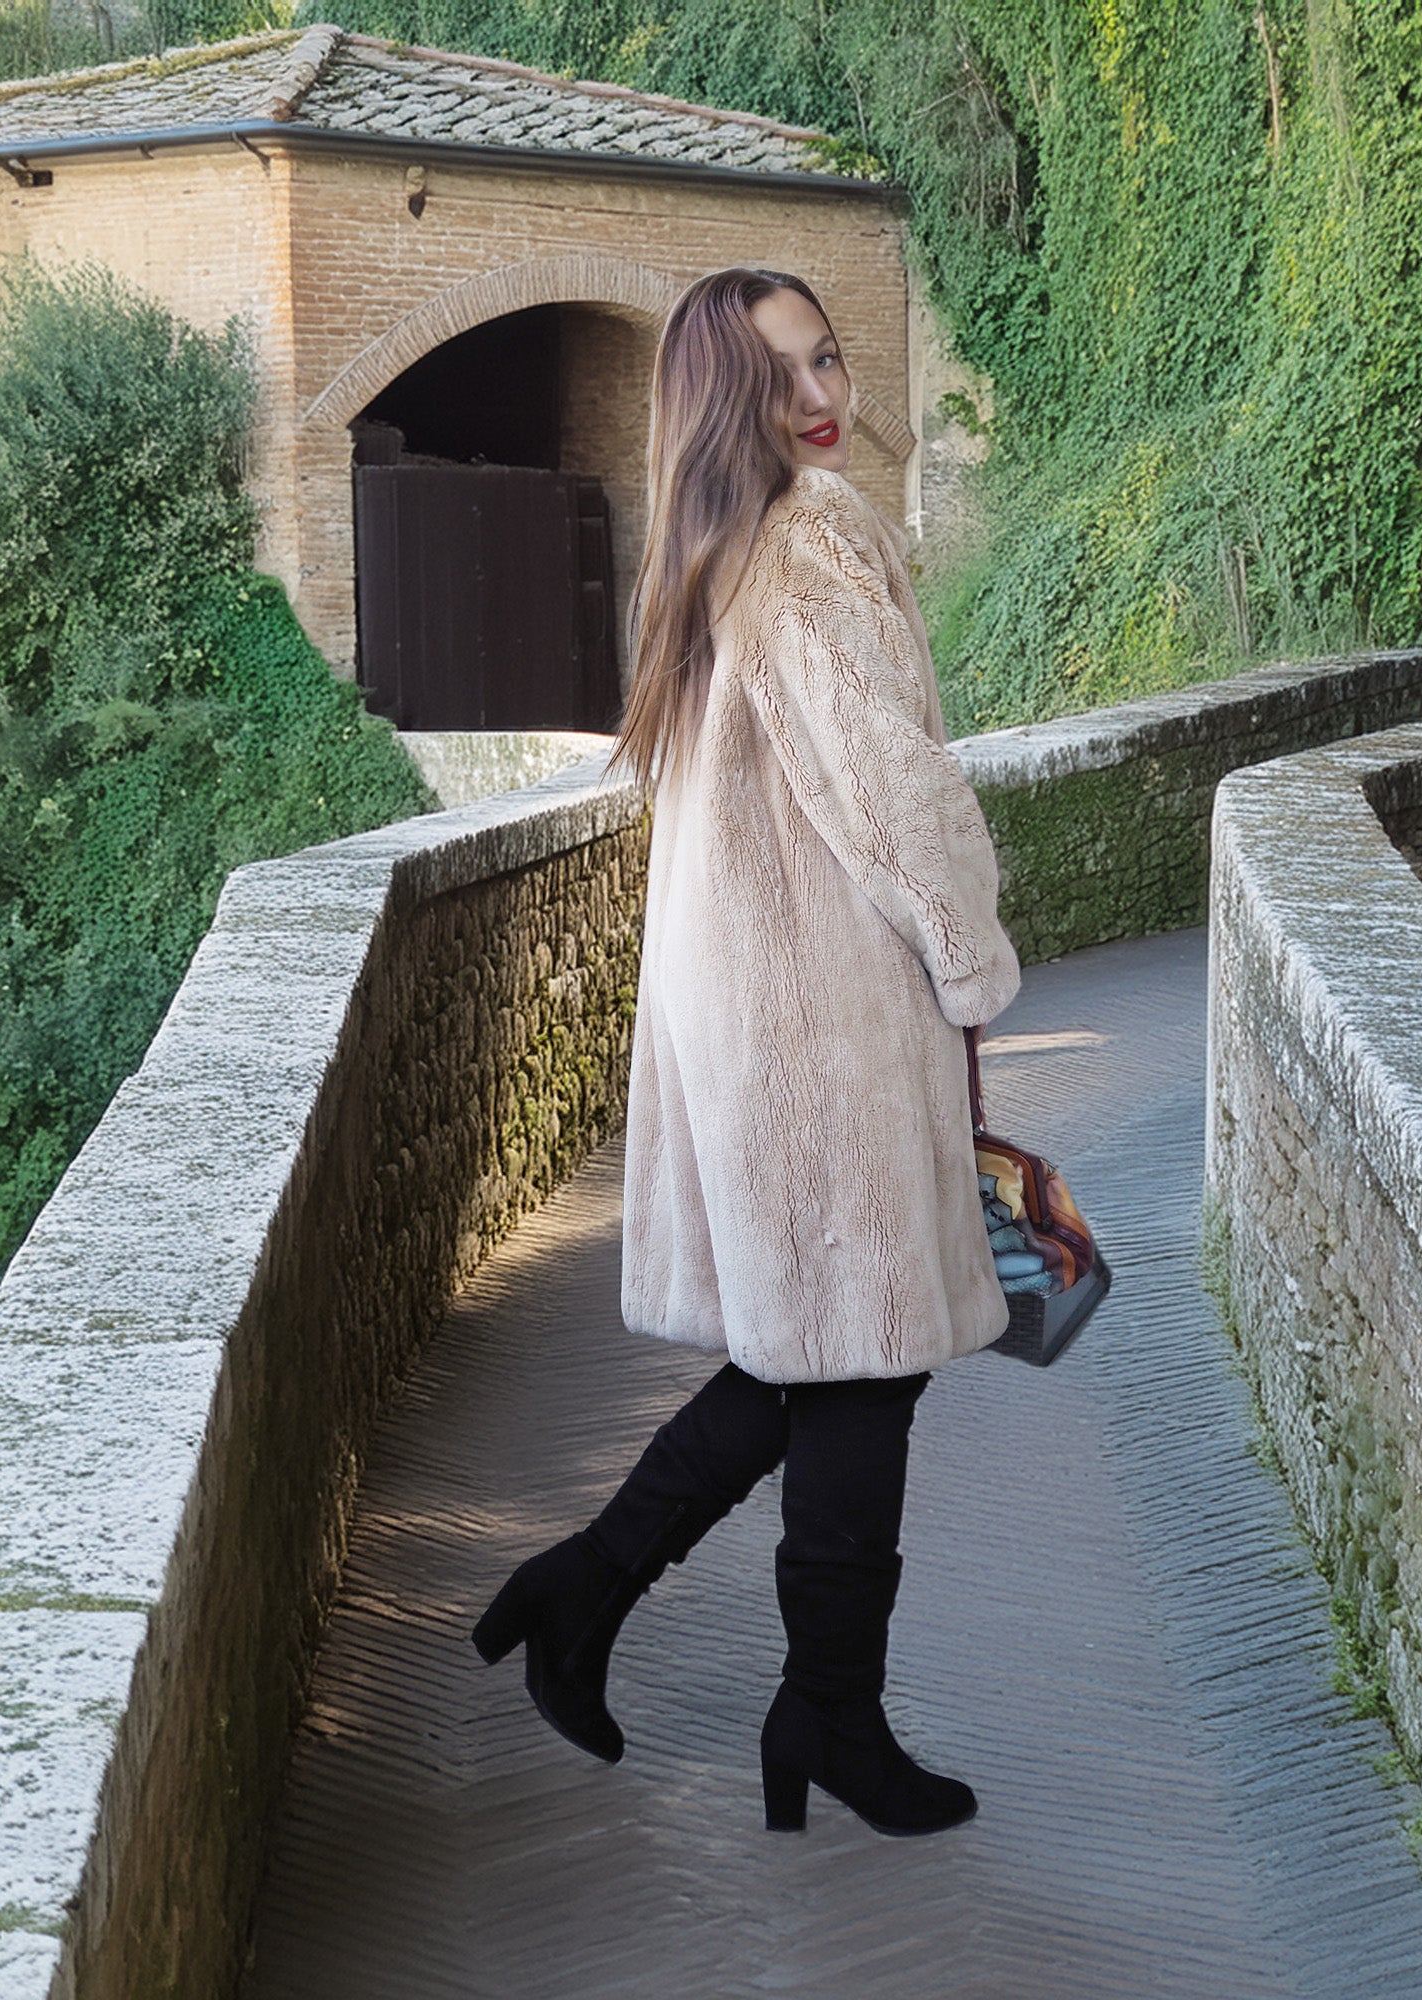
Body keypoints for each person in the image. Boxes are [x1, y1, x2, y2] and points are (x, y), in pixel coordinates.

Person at [472, 266, 1021, 1837]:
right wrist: (971, 960)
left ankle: (593, 1595)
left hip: (761, 1028)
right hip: (826, 1030)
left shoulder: (715, 554)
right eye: (781, 375)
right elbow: (892, 794)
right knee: (860, 1367)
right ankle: (822, 1715)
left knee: (815, 1358)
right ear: (727, 405)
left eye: (827, 356)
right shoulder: (810, 543)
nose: (821, 394)